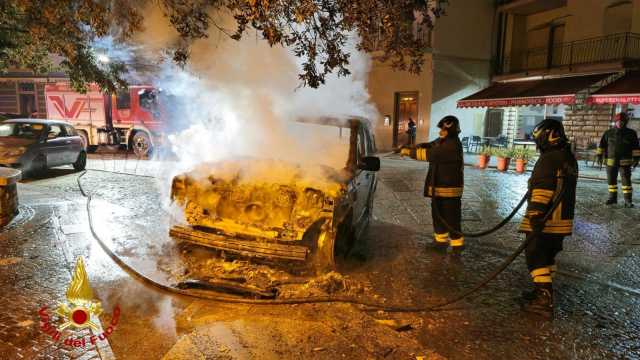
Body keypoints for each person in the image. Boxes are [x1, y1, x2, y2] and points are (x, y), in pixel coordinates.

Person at [519, 119, 578, 319]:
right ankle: (543, 291)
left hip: (546, 219)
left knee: (535, 256)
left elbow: (543, 188)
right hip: (562, 220)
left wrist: (535, 214)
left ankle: (543, 300)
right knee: (548, 257)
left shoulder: (549, 159)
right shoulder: (567, 157)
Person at [417, 115, 464, 254]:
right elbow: (432, 144)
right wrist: (418, 145)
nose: (440, 132)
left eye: (443, 129)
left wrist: (410, 152)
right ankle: (440, 242)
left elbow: (431, 154)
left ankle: (457, 245)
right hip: (439, 187)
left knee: (451, 218)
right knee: (438, 216)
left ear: (451, 130)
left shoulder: (452, 145)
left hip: (449, 189)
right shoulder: (444, 141)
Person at [597, 112, 640, 207]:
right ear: (615, 122)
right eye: (618, 121)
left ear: (625, 122)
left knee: (626, 182)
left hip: (625, 162)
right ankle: (612, 198)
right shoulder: (608, 133)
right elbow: (602, 145)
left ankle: (628, 200)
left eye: (622, 121)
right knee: (611, 181)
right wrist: (599, 155)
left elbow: (636, 147)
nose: (620, 123)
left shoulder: (631, 133)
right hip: (610, 161)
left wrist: (636, 158)